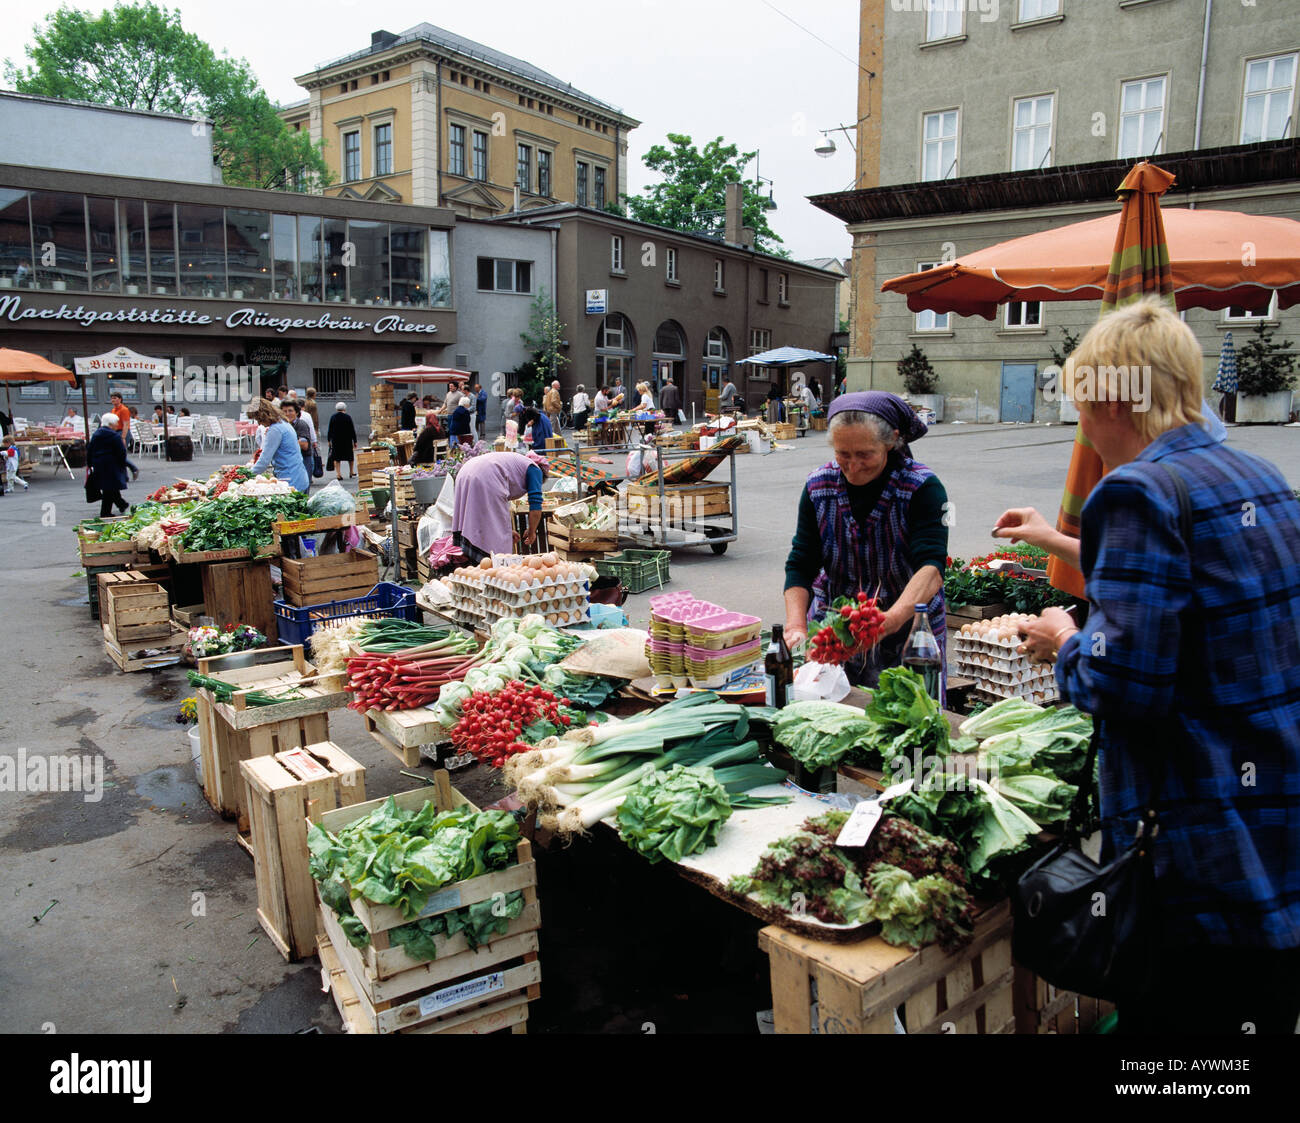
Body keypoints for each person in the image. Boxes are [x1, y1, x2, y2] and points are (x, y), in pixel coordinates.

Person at [994, 300, 1300, 1035]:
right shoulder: (1257, 474)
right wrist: (1056, 542)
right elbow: (1196, 596)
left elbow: (1122, 685)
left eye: (1079, 405)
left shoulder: (1136, 490)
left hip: (1200, 846)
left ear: (1108, 399)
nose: (1082, 425)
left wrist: (1066, 638)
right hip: (1274, 819)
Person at [783, 392, 949, 692]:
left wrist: (890, 620)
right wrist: (796, 626)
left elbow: (932, 568)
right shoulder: (817, 487)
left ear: (892, 440)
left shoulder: (924, 487)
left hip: (910, 626)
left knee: (910, 710)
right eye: (843, 454)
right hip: (837, 625)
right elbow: (801, 563)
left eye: (865, 454)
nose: (853, 465)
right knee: (832, 708)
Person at [451, 450, 549, 563]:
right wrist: (532, 531)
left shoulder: (517, 463)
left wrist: (506, 531)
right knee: (499, 553)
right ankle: (495, 565)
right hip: (486, 475)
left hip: (466, 471)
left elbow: (484, 514)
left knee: (472, 514)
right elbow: (535, 504)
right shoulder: (534, 469)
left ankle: (475, 562)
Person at [248, 400, 309, 492]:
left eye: (258, 420)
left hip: (290, 478)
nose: (259, 423)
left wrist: (247, 475)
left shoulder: (275, 429)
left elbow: (264, 460)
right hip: (298, 475)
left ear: (263, 416)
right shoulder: (283, 423)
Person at [88, 412, 139, 517]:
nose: (117, 425)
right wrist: (123, 465)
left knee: (110, 487)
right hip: (112, 465)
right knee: (109, 489)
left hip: (99, 464)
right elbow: (121, 452)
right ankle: (105, 512)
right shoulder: (114, 436)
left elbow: (90, 449)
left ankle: (121, 504)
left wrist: (90, 464)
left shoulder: (96, 434)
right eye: (116, 423)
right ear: (110, 424)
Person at [279, 400, 314, 485]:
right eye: (284, 411)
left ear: (297, 412)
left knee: (302, 488)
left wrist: (284, 442)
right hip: (290, 462)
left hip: (303, 460)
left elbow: (304, 445)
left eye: (290, 411)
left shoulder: (301, 424)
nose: (287, 414)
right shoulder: (283, 426)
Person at [326, 401, 357, 481]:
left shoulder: (333, 417)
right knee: (350, 456)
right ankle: (351, 471)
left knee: (337, 457)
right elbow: (352, 429)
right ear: (344, 408)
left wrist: (329, 440)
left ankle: (338, 474)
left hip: (336, 440)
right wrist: (355, 441)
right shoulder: (348, 417)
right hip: (347, 440)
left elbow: (330, 429)